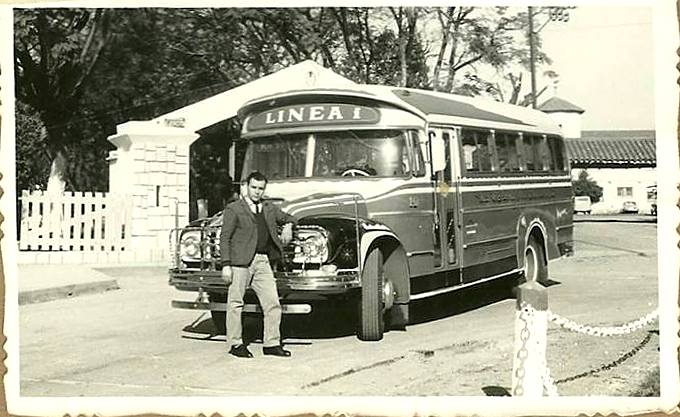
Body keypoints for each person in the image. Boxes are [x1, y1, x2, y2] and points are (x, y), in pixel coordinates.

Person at [219, 171, 297, 358]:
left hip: (262, 261)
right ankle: (235, 344)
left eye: (260, 188)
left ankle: (271, 343)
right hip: (240, 262)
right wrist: (226, 264)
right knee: (236, 303)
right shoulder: (234, 208)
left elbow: (291, 217)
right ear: (246, 187)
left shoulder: (269, 208)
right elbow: (225, 237)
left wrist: (288, 226)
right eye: (253, 187)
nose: (257, 192)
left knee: (272, 303)